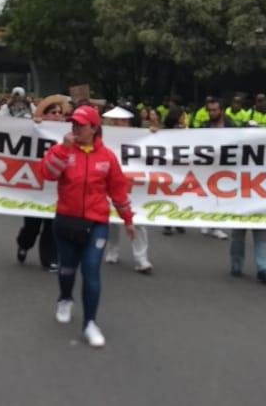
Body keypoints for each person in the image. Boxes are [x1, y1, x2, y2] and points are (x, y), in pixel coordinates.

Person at [40, 105, 134, 348]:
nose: (75, 128)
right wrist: (63, 150)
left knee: (91, 270)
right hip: (66, 221)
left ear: (94, 128)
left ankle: (90, 323)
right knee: (67, 269)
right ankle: (65, 298)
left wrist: (128, 220)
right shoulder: (63, 150)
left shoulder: (107, 157)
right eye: (73, 124)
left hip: (96, 223)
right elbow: (47, 174)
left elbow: (118, 191)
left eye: (81, 125)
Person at [16, 98, 69, 271]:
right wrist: (35, 125)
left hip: (55, 188)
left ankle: (49, 259)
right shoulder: (34, 128)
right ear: (44, 115)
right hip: (35, 186)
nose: (57, 116)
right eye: (53, 113)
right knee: (32, 227)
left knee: (52, 225)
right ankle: (24, 245)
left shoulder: (67, 133)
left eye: (60, 113)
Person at [102, 106, 153, 274]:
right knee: (112, 221)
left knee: (138, 221)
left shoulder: (139, 136)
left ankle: (141, 258)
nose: (119, 123)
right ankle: (112, 250)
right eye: (116, 119)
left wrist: (155, 134)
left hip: (133, 185)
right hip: (110, 183)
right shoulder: (102, 135)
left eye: (123, 120)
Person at [198, 98, 232, 239]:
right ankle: (207, 221)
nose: (211, 113)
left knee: (220, 195)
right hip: (208, 166)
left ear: (221, 111)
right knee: (208, 194)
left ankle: (216, 226)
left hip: (225, 166)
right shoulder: (204, 127)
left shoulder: (232, 126)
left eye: (214, 110)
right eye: (209, 110)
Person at [161, 106, 189, 236]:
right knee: (168, 194)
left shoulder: (188, 131)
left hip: (182, 167)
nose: (185, 119)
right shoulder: (165, 132)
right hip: (169, 168)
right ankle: (167, 222)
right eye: (183, 117)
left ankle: (178, 221)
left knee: (181, 195)